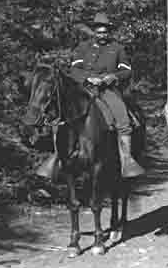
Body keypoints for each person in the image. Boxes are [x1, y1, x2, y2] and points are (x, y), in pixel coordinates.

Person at [36, 12, 145, 179]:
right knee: (60, 117)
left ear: (109, 32)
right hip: (83, 88)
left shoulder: (117, 49)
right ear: (94, 31)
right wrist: (87, 78)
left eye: (105, 32)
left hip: (107, 90)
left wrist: (113, 77)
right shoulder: (82, 47)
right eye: (99, 32)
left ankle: (127, 159)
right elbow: (74, 70)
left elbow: (126, 71)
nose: (102, 35)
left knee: (122, 116)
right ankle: (56, 157)